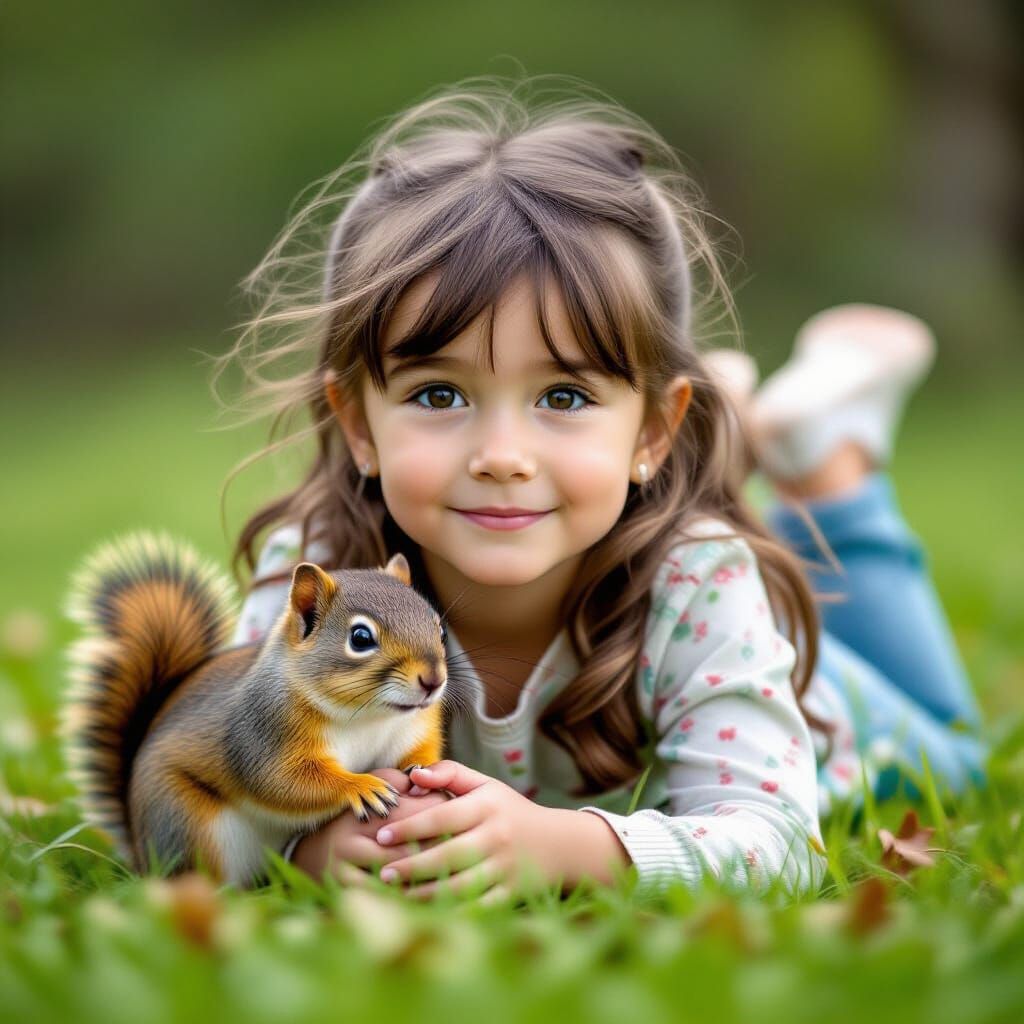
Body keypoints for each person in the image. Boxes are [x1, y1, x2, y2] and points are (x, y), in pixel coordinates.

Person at [212, 76, 987, 904]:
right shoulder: (322, 582)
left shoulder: (699, 584)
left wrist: (567, 846)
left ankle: (823, 462)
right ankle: (720, 437)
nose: (502, 456)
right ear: (359, 424)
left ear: (654, 430)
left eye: (564, 396)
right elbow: (225, 783)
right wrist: (311, 850)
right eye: (440, 395)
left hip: (810, 696)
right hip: (647, 530)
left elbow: (776, 843)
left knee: (958, 755)